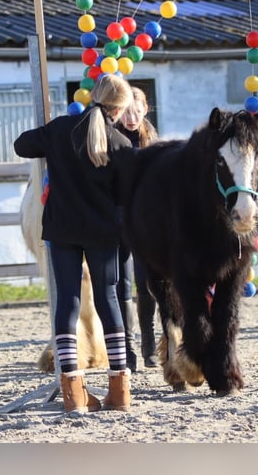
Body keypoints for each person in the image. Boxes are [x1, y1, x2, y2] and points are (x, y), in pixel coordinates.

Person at [13, 74, 134, 414]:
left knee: (66, 302)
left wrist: (49, 137)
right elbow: (126, 195)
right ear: (120, 108)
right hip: (103, 233)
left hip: (62, 231)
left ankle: (73, 393)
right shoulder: (121, 145)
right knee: (110, 301)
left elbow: (22, 145)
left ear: (94, 97)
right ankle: (119, 390)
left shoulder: (61, 129)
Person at [115, 86, 160, 370]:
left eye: (137, 110)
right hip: (118, 219)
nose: (132, 117)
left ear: (145, 109)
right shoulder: (111, 138)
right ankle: (127, 349)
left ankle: (149, 344)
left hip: (145, 221)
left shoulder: (152, 141)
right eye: (127, 111)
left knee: (147, 284)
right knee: (122, 285)